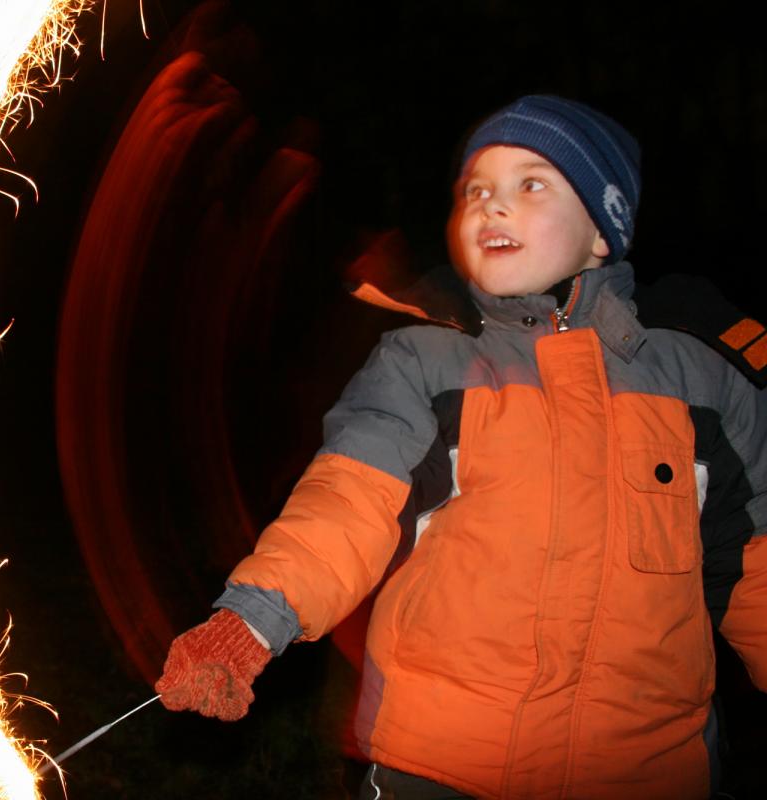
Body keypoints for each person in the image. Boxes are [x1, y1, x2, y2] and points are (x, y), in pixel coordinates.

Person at [154, 95, 767, 799]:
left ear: (603, 230)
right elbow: (346, 505)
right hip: (443, 769)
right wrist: (252, 620)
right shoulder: (426, 361)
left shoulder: (704, 383)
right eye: (476, 190)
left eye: (530, 183)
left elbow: (756, 564)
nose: (492, 206)